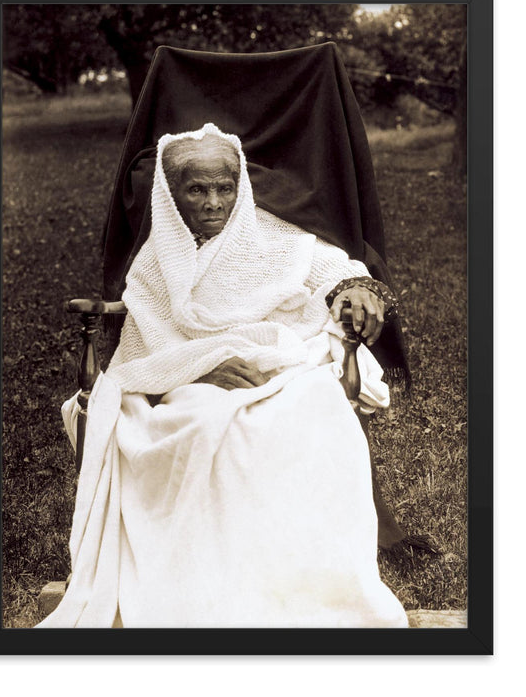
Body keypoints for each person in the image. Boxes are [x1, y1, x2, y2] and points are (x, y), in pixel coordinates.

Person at [37, 123, 408, 628]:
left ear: (241, 187)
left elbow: (332, 268)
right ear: (171, 194)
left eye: (224, 187)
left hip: (280, 364)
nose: (214, 202)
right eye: (197, 189)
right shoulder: (155, 260)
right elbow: (144, 351)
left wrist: (358, 288)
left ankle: (297, 578)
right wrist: (200, 367)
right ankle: (204, 579)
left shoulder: (270, 232)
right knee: (193, 422)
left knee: (311, 407)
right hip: (188, 381)